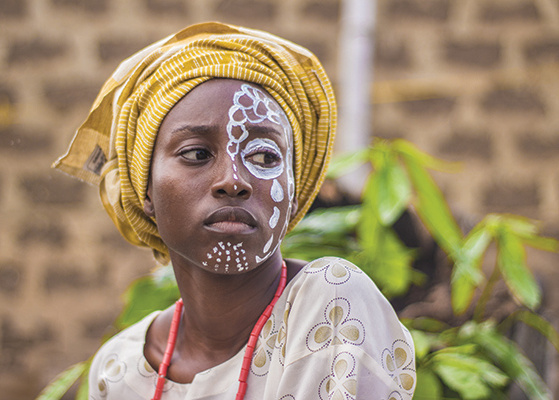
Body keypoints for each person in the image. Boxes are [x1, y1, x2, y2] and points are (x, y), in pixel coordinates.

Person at [54, 22, 415, 400]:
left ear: (293, 193)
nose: (233, 180)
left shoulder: (329, 304)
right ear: (144, 188)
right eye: (196, 153)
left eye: (264, 155)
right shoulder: (118, 370)